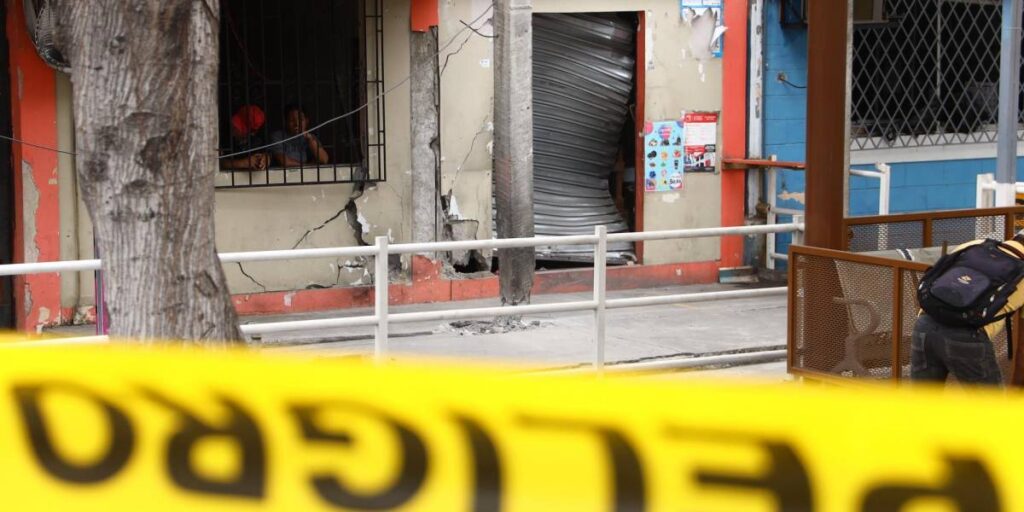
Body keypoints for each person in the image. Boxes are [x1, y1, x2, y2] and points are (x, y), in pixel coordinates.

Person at [911, 231, 1024, 386]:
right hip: (968, 337)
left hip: (925, 324)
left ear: (1015, 237)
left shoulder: (974, 244)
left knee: (922, 399)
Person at [221, 105, 270, 171]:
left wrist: (266, 159)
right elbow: (218, 162)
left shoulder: (258, 141)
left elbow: (269, 155)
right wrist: (243, 163)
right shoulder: (224, 135)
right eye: (235, 123)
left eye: (237, 127)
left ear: (250, 133)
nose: (233, 126)